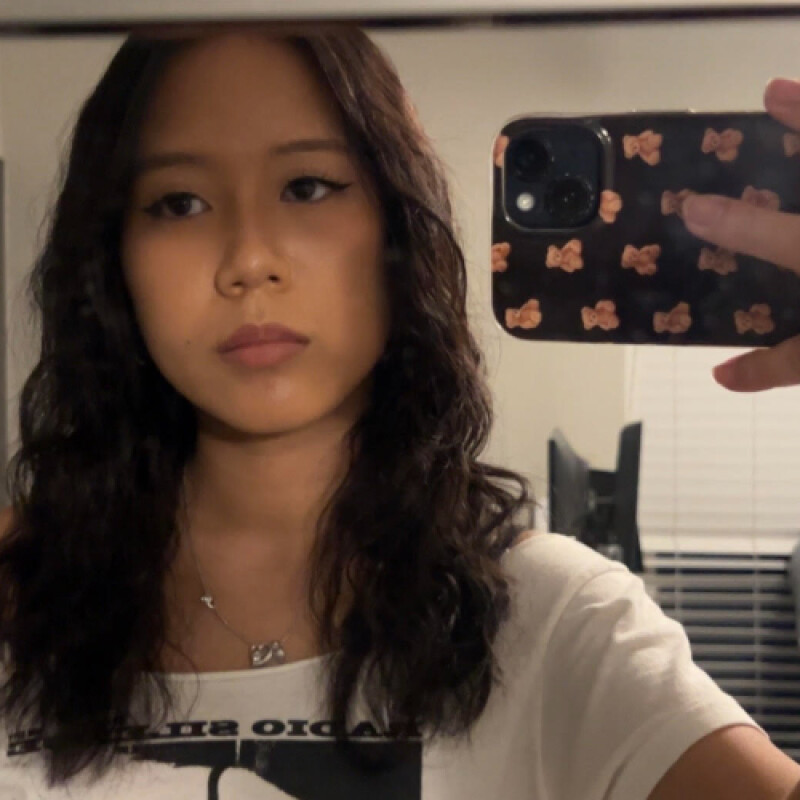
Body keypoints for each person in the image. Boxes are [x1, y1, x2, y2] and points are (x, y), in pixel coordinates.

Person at [0, 20, 798, 800]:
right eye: (178, 202)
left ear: (397, 226)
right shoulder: (17, 596)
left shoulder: (553, 620)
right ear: (113, 256)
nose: (248, 259)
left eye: (306, 187)